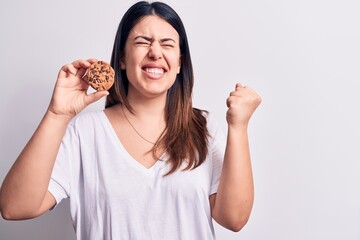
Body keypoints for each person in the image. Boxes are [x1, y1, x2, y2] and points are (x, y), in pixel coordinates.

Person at [0, 1, 261, 239]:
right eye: (142, 41)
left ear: (180, 63)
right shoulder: (85, 133)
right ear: (122, 59)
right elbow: (14, 207)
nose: (155, 52)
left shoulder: (203, 128)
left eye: (167, 44)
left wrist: (238, 127)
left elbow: (234, 218)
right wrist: (57, 115)